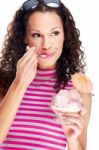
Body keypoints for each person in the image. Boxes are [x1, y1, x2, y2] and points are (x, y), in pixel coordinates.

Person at [0, 0, 92, 149]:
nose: (46, 45)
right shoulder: (4, 82)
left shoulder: (77, 90)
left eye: (54, 33)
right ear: (24, 37)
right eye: (36, 35)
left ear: (65, 35)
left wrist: (72, 140)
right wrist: (20, 82)